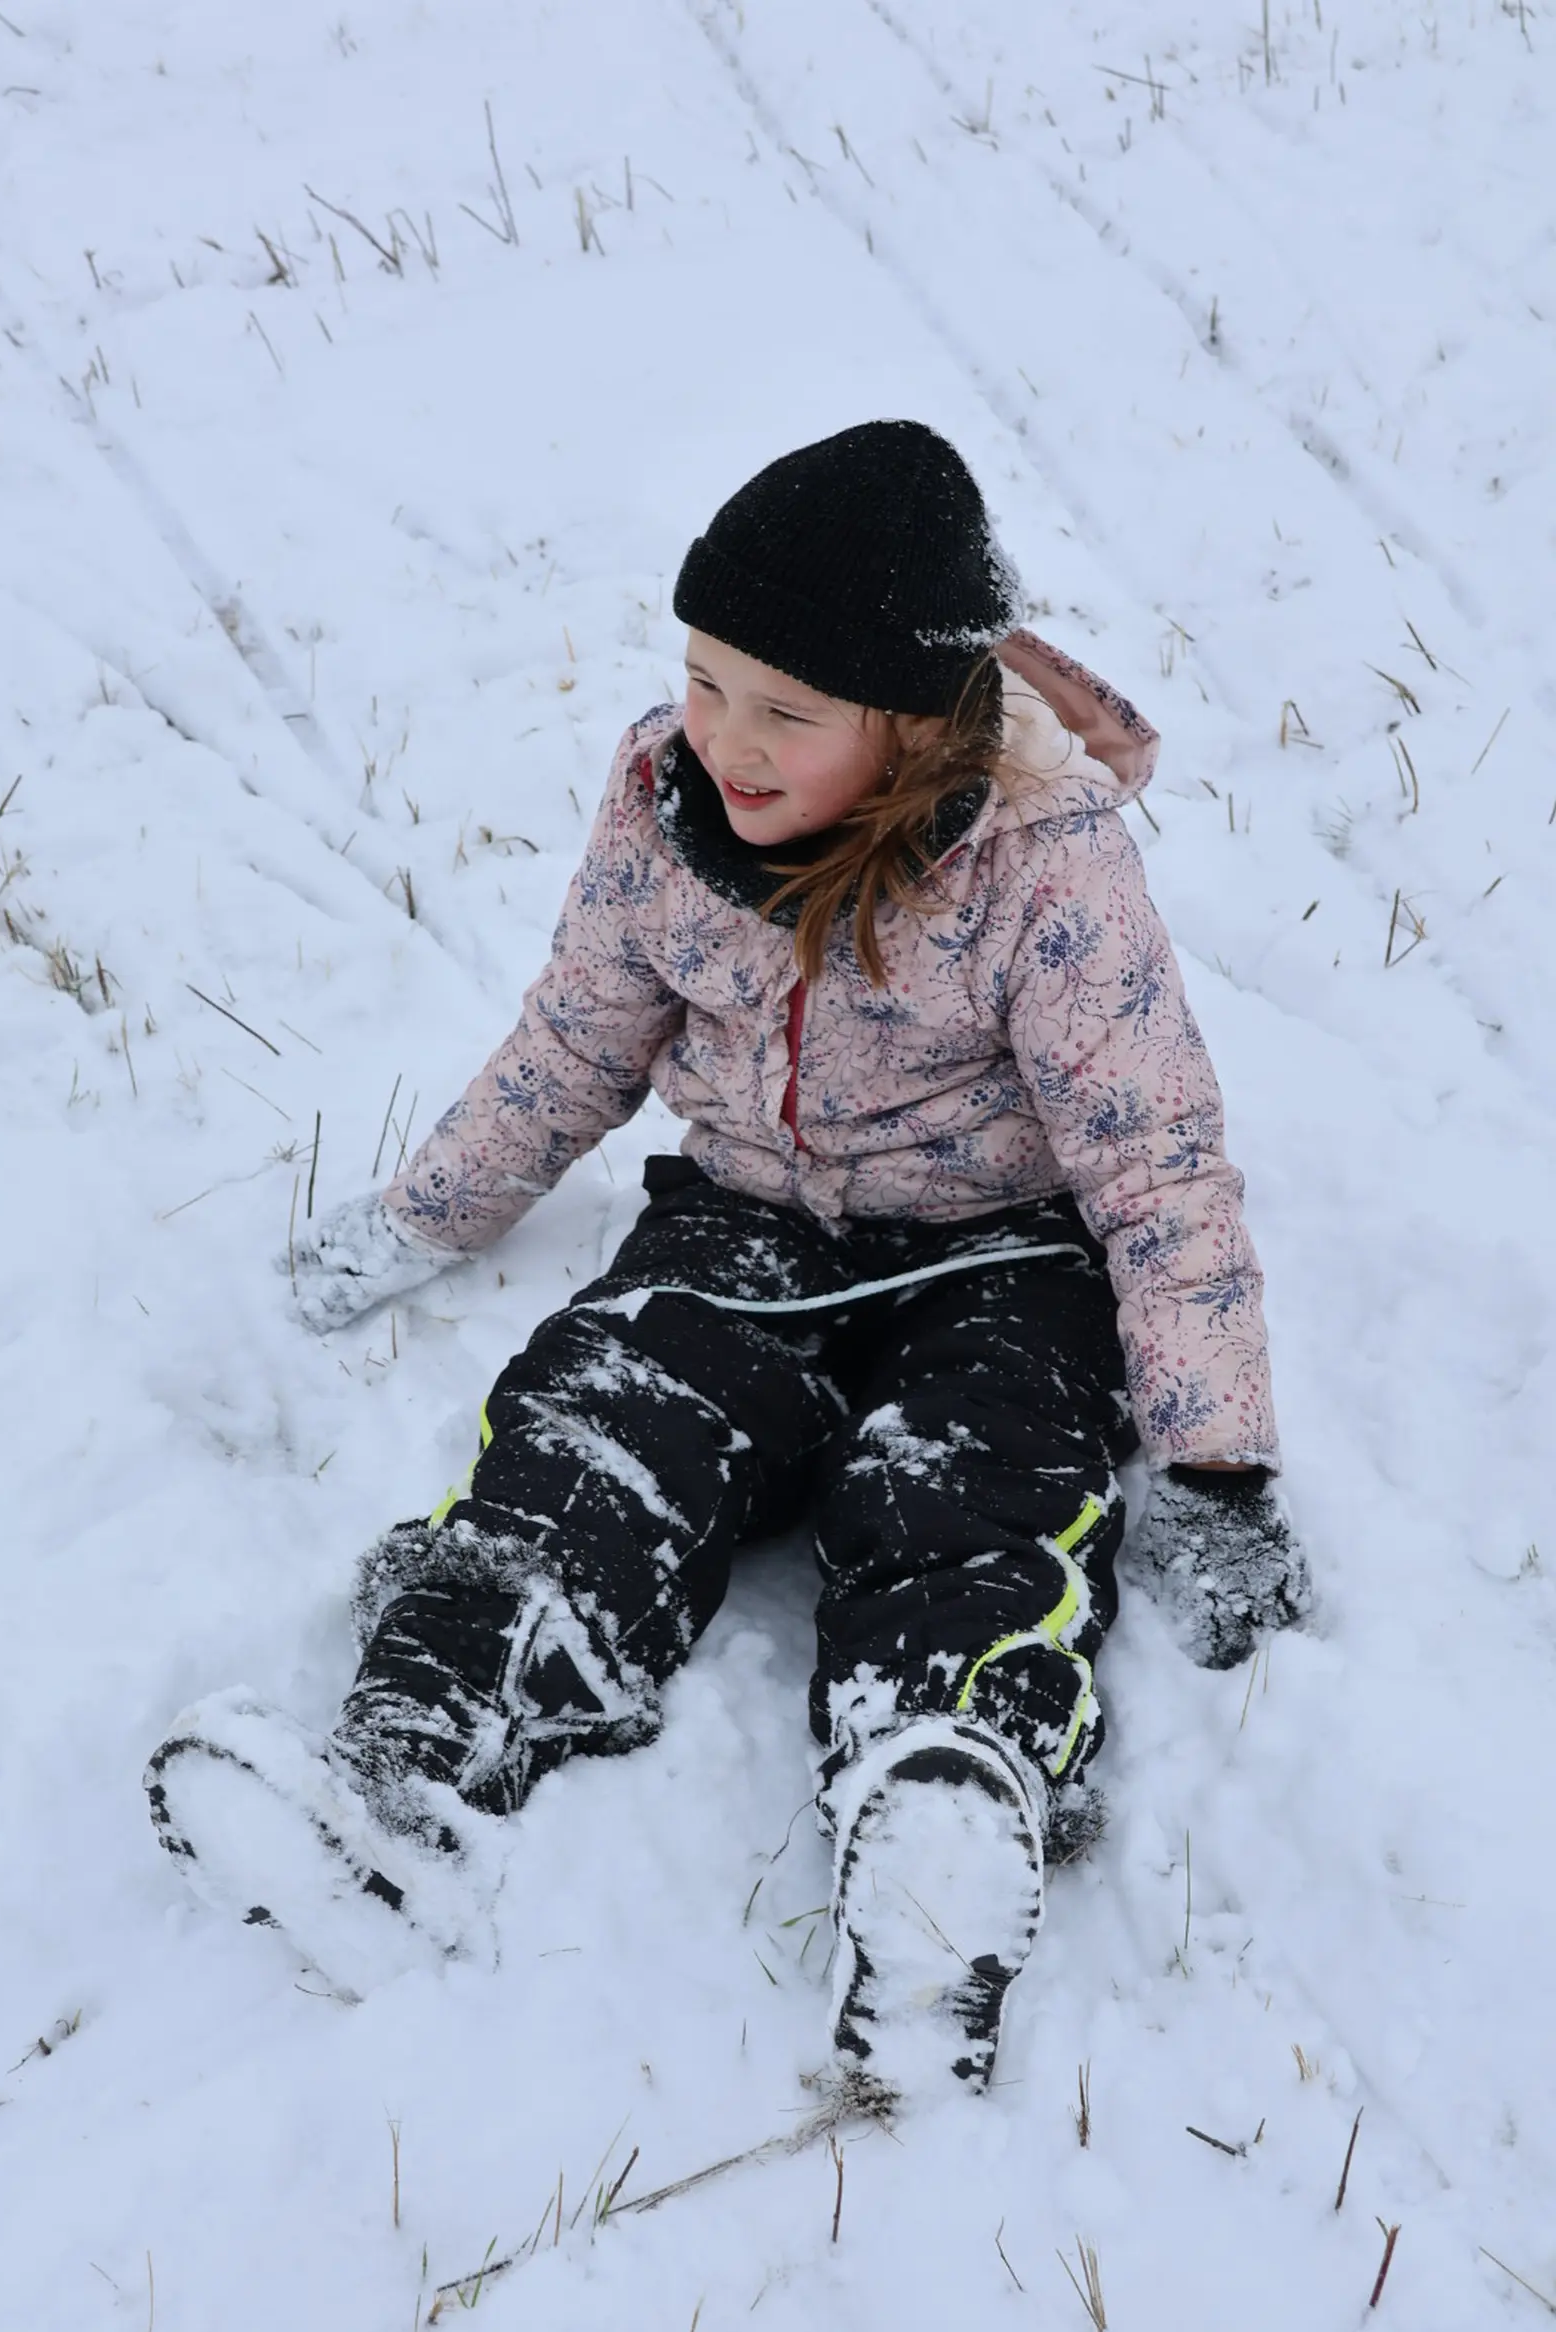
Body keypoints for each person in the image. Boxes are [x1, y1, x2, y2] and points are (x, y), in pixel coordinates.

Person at [147, 421, 1308, 2101]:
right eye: (705, 679)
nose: (728, 740)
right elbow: (574, 1041)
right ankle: (409, 1767)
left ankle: (943, 1808)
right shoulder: (658, 801)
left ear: (910, 727)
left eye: (787, 711)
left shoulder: (1047, 868)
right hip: (746, 1218)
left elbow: (1153, 1156)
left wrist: (1216, 1462)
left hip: (998, 1255)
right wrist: (425, 1216)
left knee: (976, 1482)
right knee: (599, 1424)